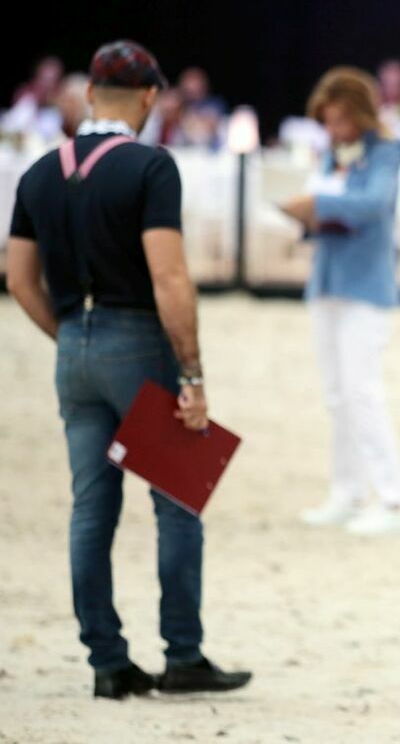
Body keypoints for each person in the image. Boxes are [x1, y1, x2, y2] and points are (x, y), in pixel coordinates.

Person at [5, 40, 251, 699]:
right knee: (176, 503)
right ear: (149, 98)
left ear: (88, 94)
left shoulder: (37, 173)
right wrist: (192, 372)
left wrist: (69, 334)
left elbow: (18, 277)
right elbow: (169, 276)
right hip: (136, 337)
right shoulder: (149, 166)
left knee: (92, 508)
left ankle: (107, 659)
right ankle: (182, 651)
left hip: (73, 347)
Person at [279, 67, 400, 536]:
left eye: (339, 119)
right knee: (337, 396)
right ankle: (348, 492)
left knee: (363, 391)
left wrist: (317, 206)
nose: (333, 130)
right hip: (328, 281)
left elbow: (373, 204)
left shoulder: (388, 151)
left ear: (360, 113)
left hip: (367, 287)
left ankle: (392, 501)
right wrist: (302, 213)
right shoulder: (330, 153)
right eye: (327, 121)